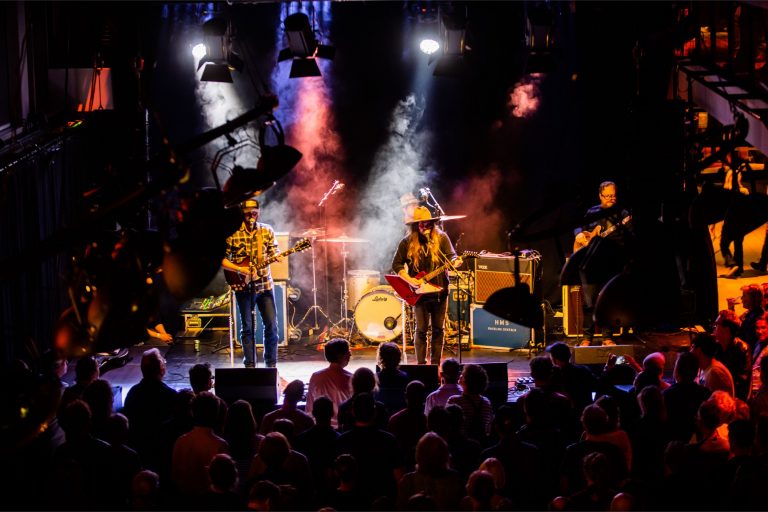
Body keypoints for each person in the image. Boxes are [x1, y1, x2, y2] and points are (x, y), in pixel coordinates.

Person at [391, 206, 462, 365]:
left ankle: (435, 364)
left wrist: (456, 262)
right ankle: (421, 365)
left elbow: (452, 257)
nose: (425, 227)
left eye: (428, 224)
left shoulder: (442, 238)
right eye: (421, 224)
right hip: (419, 294)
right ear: (415, 226)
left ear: (432, 224)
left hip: (439, 293)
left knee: (438, 330)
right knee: (421, 330)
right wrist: (410, 280)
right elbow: (397, 265)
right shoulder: (407, 241)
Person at [222, 198, 281, 368]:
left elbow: (274, 250)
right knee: (247, 328)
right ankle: (250, 365)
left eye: (254, 213)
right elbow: (222, 260)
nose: (251, 216)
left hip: (265, 285)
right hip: (244, 286)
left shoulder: (266, 231)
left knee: (272, 326)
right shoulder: (232, 233)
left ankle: (271, 365)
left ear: (258, 212)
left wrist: (275, 256)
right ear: (242, 213)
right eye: (247, 213)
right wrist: (241, 270)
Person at [573, 181, 632, 347]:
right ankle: (587, 337)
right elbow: (578, 226)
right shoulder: (592, 212)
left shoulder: (623, 214)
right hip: (591, 263)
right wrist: (579, 235)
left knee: (609, 300)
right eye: (608, 195)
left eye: (613, 195)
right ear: (600, 196)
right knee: (589, 301)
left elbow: (629, 237)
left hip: (612, 262)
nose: (611, 198)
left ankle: (607, 337)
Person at [304, 338, 353, 429]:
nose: (350, 354)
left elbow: (309, 408)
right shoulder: (350, 378)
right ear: (340, 356)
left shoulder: (315, 376)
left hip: (318, 427)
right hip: (341, 428)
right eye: (348, 352)